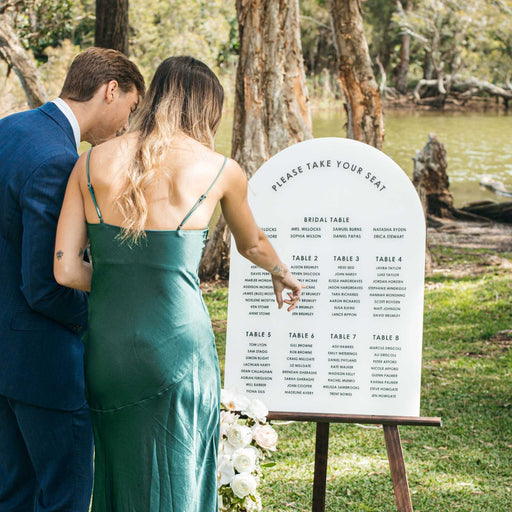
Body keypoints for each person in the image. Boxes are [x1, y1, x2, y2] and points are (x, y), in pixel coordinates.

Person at [53, 56, 303, 512]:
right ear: (207, 107)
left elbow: (66, 269)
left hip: (109, 351)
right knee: (181, 470)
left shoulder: (89, 163)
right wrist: (282, 273)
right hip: (179, 348)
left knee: (116, 471)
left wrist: (119, 283)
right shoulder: (220, 168)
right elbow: (254, 244)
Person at [0, 47, 145, 512]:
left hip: (6, 358)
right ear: (110, 90)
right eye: (131, 107)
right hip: (43, 364)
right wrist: (103, 316)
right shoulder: (56, 161)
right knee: (63, 497)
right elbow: (46, 286)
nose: (127, 123)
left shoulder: (10, 129)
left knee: (13, 494)